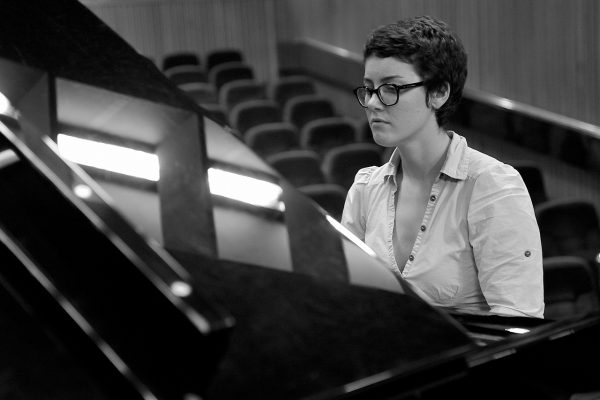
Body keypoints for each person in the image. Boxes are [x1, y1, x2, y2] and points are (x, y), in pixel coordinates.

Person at [342, 16, 544, 318]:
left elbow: (518, 315)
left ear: (438, 93)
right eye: (369, 88)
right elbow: (348, 300)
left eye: (391, 88)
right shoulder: (365, 188)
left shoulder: (491, 184)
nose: (372, 102)